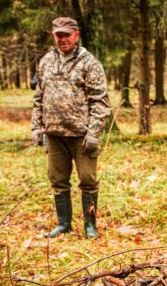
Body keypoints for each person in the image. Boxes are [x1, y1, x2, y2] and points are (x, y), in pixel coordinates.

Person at [31, 17, 110, 239]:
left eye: (67, 34)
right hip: (54, 134)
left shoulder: (89, 63)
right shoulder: (46, 60)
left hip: (82, 136)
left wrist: (94, 133)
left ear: (76, 35)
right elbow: (39, 97)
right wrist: (36, 127)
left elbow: (100, 101)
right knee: (57, 179)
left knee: (88, 180)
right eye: (59, 35)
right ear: (53, 36)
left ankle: (90, 225)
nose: (62, 39)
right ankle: (64, 223)